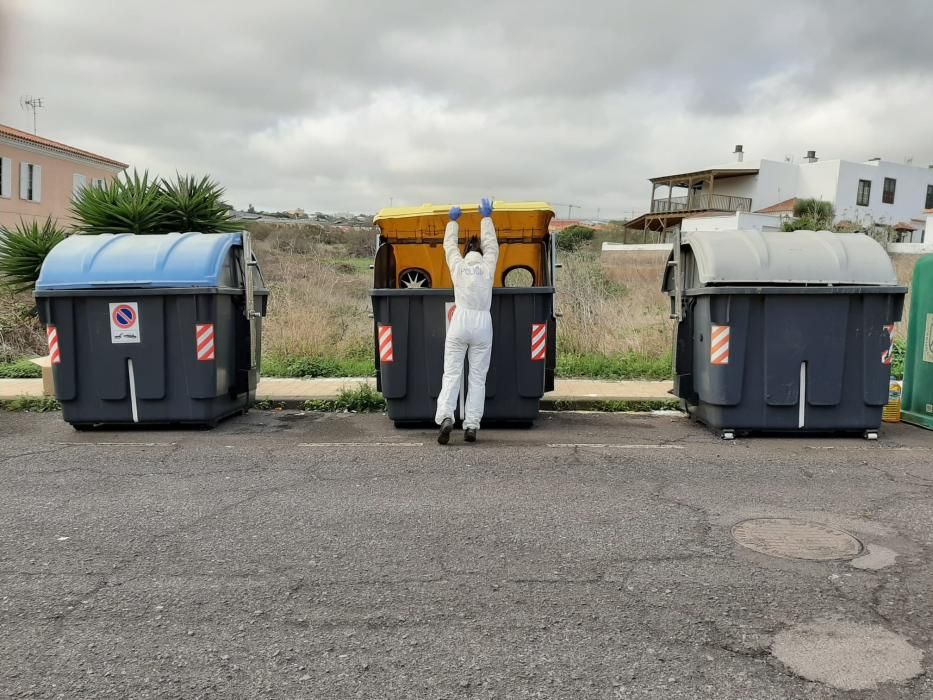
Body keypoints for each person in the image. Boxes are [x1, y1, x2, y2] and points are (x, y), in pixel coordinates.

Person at [436, 198, 498, 445]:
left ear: (465, 253)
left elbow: (448, 246)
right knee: (477, 377)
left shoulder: (459, 267)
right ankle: (471, 424)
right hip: (483, 323)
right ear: (480, 253)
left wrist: (453, 222)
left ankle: (446, 418)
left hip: (460, 321)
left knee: (451, 373)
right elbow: (492, 246)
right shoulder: (487, 266)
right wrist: (486, 218)